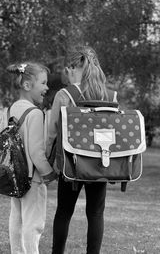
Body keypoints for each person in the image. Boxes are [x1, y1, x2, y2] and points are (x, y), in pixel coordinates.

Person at [46, 45, 117, 254]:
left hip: (71, 163)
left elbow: (52, 133)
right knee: (95, 214)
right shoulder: (110, 95)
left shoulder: (64, 94)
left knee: (64, 212)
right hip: (100, 162)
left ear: (72, 67)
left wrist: (47, 162)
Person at [6, 62, 57, 254]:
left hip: (15, 176)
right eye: (43, 83)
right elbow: (36, 151)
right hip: (32, 179)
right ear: (27, 85)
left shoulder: (13, 108)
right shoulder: (35, 113)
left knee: (16, 219)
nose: (47, 87)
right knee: (33, 223)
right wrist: (49, 173)